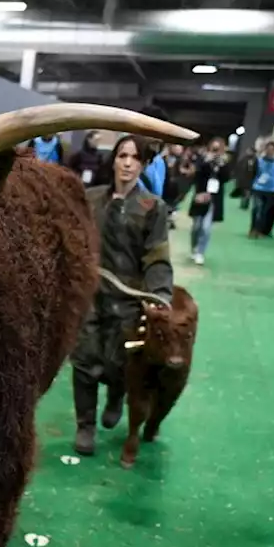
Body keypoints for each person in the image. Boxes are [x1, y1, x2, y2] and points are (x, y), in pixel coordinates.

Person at [70, 134, 173, 456]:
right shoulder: (90, 199)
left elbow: (157, 257)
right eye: (122, 155)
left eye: (134, 157)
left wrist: (159, 293)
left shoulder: (152, 207)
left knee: (119, 363)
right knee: (84, 361)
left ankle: (116, 395)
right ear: (113, 160)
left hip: (129, 298)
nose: (127, 163)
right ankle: (85, 425)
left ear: (142, 164)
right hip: (90, 293)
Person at [187, 135, 231, 266]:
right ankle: (194, 248)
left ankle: (200, 252)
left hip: (214, 199)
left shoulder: (224, 162)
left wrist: (221, 164)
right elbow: (196, 175)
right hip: (201, 196)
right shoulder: (203, 159)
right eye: (214, 149)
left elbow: (226, 178)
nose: (216, 151)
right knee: (196, 226)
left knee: (206, 228)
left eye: (218, 149)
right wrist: (207, 161)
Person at [249, 139, 274, 238]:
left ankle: (261, 231)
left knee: (265, 212)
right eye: (268, 149)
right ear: (265, 149)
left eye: (272, 149)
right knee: (257, 209)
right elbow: (253, 173)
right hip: (258, 188)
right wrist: (250, 187)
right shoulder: (259, 160)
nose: (270, 151)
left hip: (271, 190)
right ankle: (253, 229)